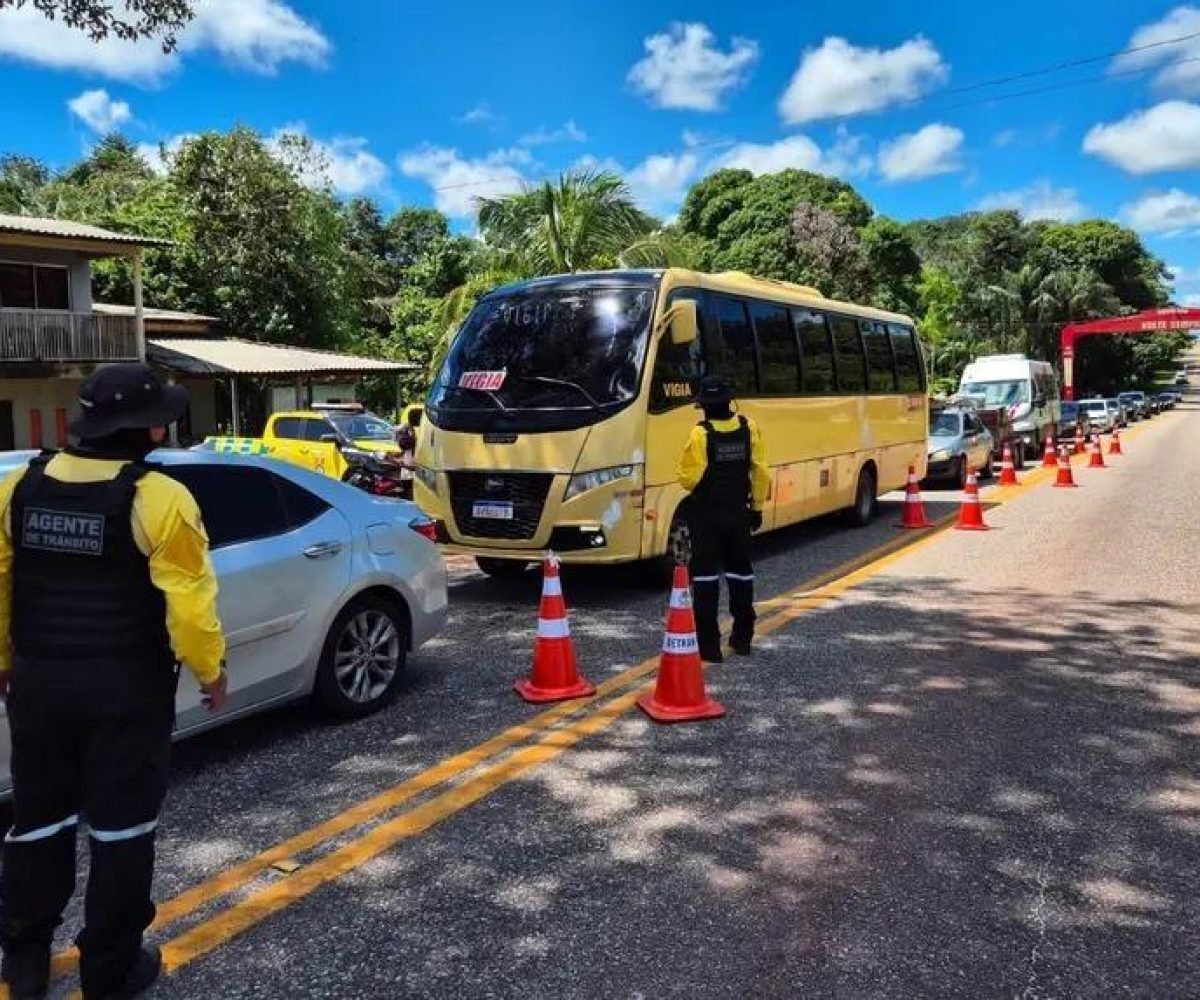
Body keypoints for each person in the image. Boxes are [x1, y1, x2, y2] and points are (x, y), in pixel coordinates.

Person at [0, 364, 228, 1000]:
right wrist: (211, 671)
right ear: (148, 428)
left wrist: (3, 659)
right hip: (126, 691)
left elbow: (1, 583)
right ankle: (109, 969)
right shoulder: (160, 498)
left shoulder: (20, 488)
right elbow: (190, 609)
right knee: (121, 831)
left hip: (40, 686)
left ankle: (24, 959)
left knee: (37, 823)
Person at [677, 375, 769, 664]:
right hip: (739, 514)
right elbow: (760, 472)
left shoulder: (700, 434)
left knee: (705, 579)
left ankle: (709, 648)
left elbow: (687, 478)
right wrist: (756, 507)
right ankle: (742, 638)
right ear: (730, 402)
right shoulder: (748, 427)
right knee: (741, 575)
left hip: (706, 517)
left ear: (704, 406)